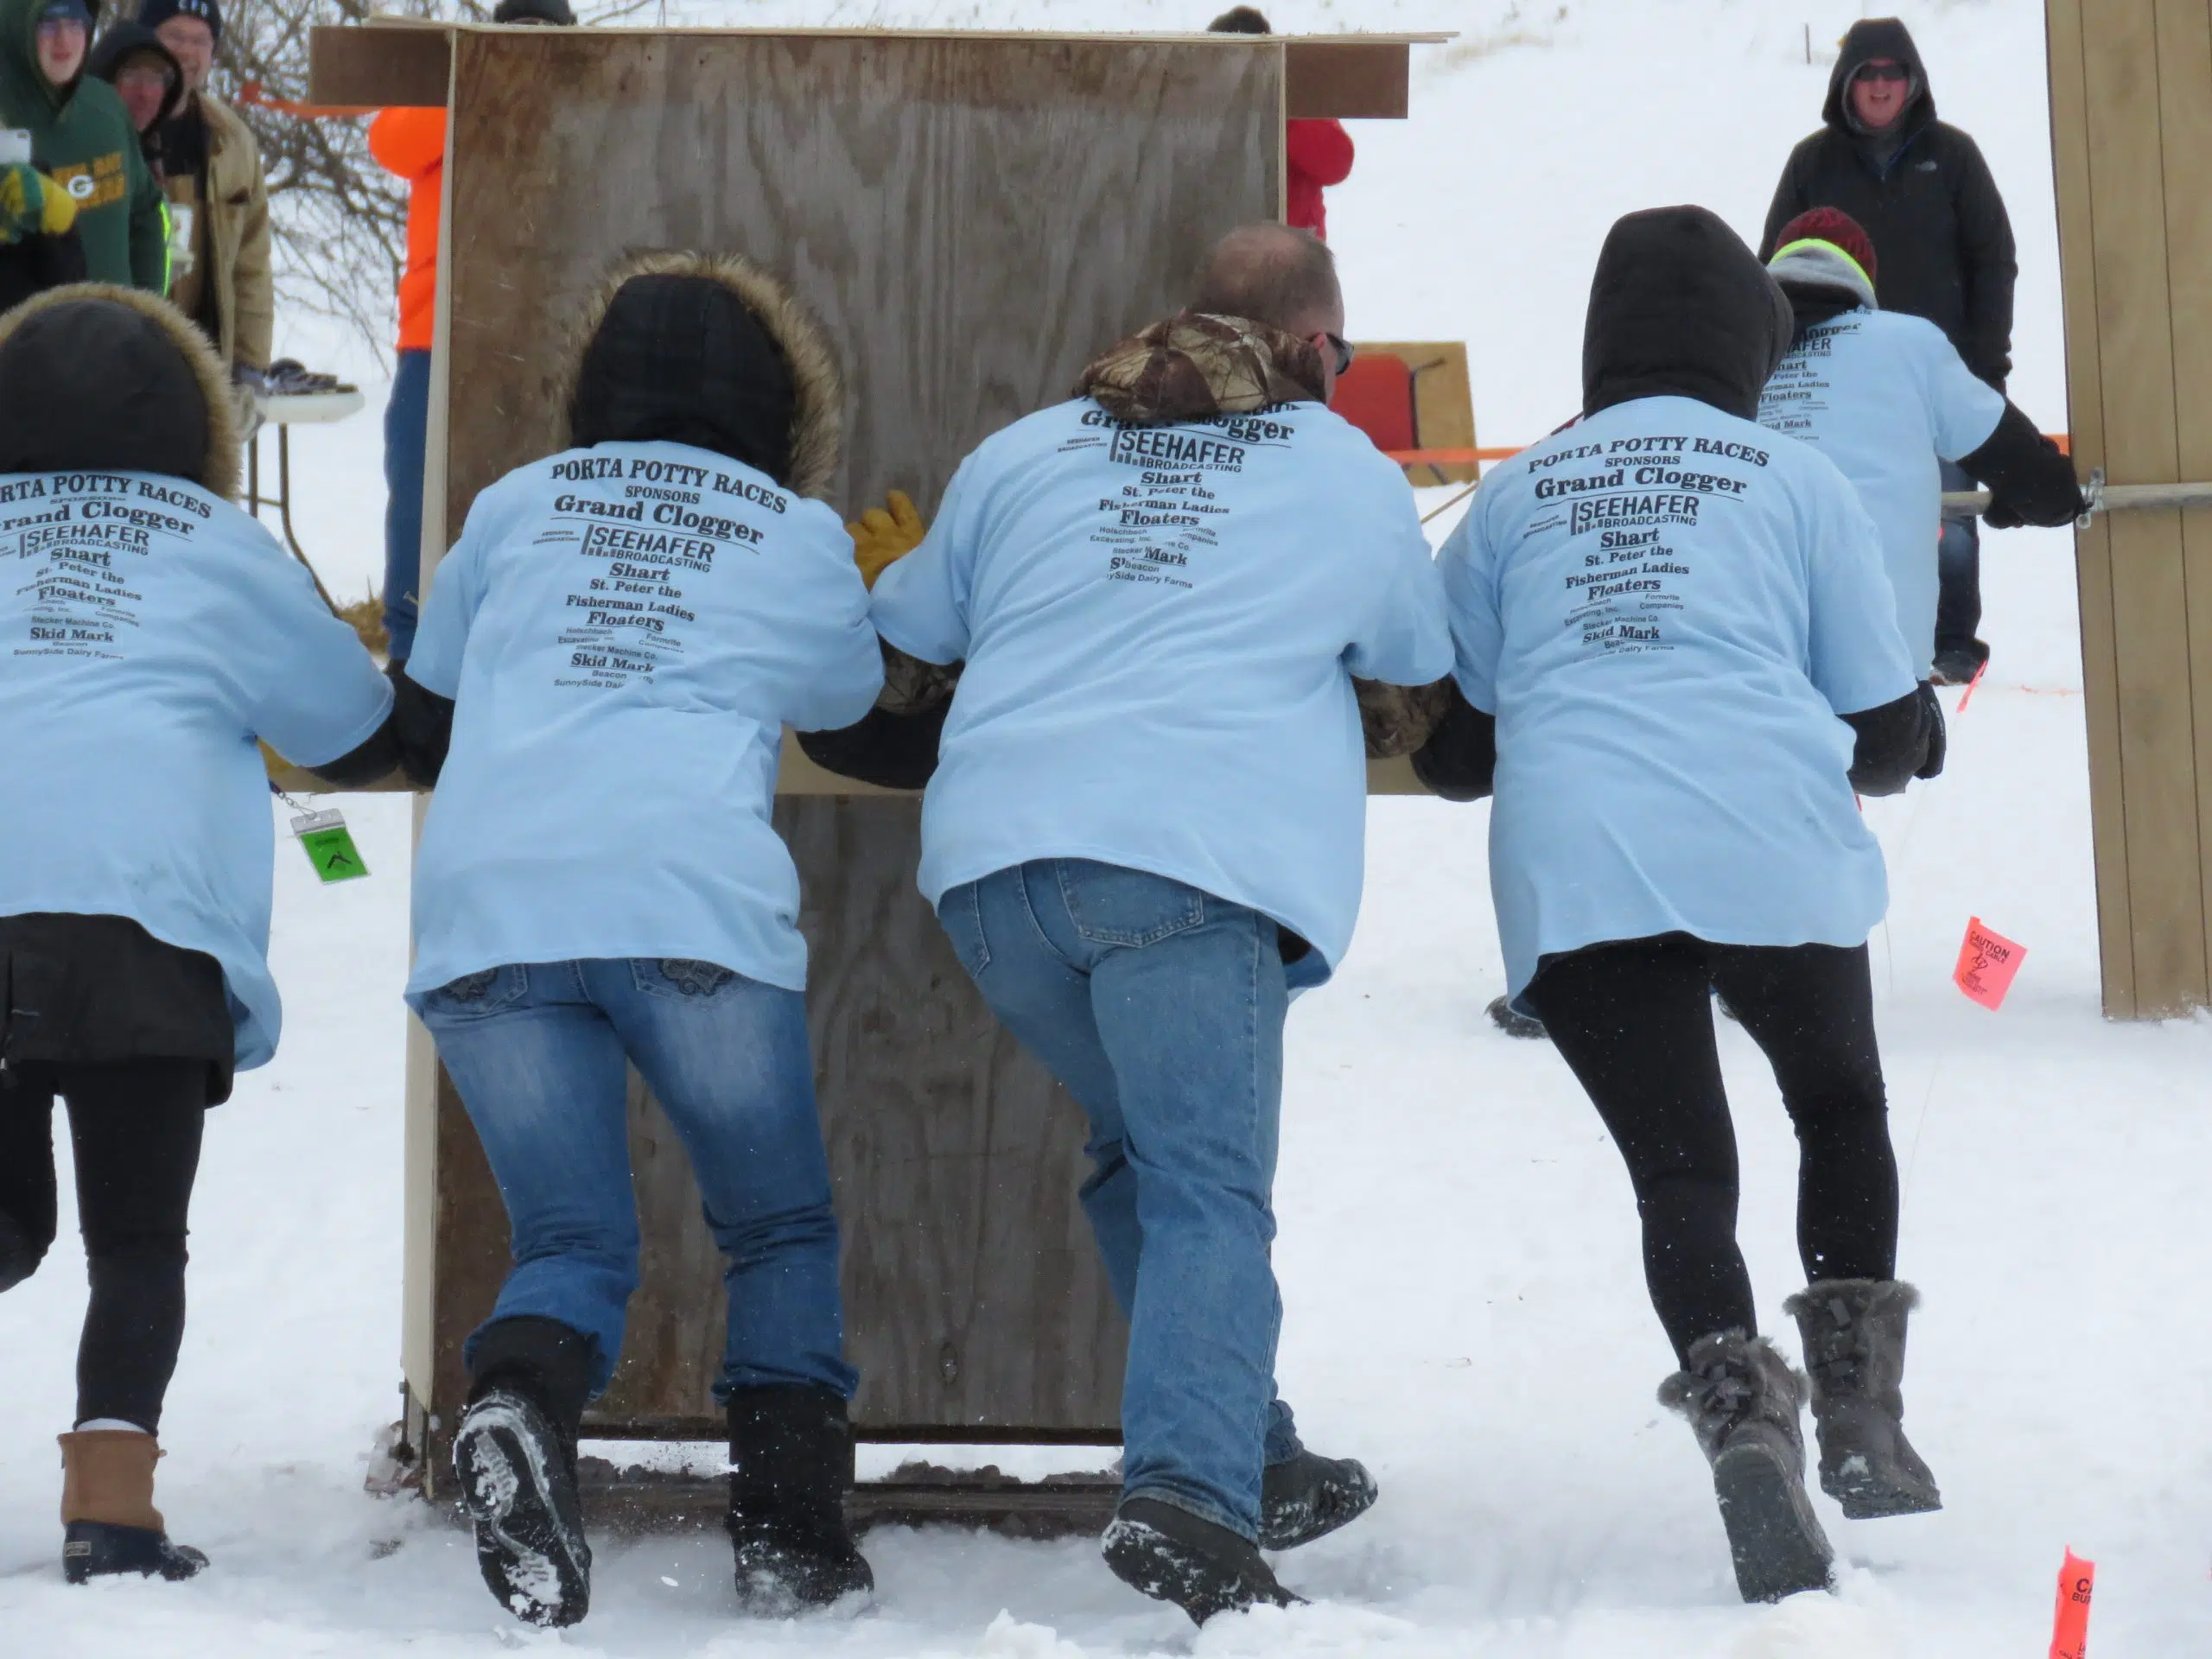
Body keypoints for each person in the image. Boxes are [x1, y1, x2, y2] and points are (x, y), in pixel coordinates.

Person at [846, 224, 1450, 1624]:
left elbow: (906, 624)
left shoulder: (1028, 449)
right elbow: (1416, 659)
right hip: (1188, 871)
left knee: (1142, 1159)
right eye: (1344, 358)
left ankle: (1261, 1453)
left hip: (998, 881)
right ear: (1312, 350)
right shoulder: (1339, 470)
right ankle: (1192, 1493)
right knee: (1205, 1191)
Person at [1418, 206, 1941, 1604]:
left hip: (1577, 857)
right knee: (1836, 1105)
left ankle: (1738, 1415)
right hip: (1764, 835)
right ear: (1746, 341)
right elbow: (1885, 732)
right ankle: (1859, 1409)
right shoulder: (1797, 478)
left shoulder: (1517, 492)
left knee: (1682, 1175)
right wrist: (1893, 744)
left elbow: (1455, 747)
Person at [392, 250, 882, 1629]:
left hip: (489, 906)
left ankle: (520, 1405)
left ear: (590, 381)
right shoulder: (790, 530)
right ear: (782, 396)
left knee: (571, 1233)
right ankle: (789, 1534)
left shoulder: (511, 507)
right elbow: (850, 706)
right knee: (775, 1226)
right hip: (685, 898)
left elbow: (426, 711)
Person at [0, 282, 397, 1585]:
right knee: (133, 1239)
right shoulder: (218, 546)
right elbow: (348, 724)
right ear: (193, 423)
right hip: (150, 929)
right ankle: (111, 1512)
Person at [1760, 17, 2016, 683]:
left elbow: (1993, 261)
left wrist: (1987, 367)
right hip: (1834, 374)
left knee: (1952, 512)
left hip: (1940, 371)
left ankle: (1952, 639)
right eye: (1867, 73)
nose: (1879, 86)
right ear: (1846, 84)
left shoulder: (1954, 157)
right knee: (1833, 510)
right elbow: (1774, 267)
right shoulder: (1811, 163)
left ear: (1913, 82)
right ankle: (1831, 637)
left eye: (1891, 73)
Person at [1760, 207, 2083, 701]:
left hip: (1756, 663)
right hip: (1882, 684)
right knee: (1873, 754)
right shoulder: (1909, 344)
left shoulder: (1738, 363)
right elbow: (2035, 480)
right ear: (1865, 276)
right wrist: (2031, 498)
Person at [368, 0, 574, 667]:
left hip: (547, 344)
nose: (527, 49)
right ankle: (409, 654)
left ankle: (531, 651)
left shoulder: (578, 115)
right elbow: (387, 142)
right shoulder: (450, 103)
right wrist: (480, 86)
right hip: (438, 339)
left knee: (541, 500)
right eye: (515, 33)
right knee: (418, 497)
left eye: (542, 37)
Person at [136, 0, 269, 395]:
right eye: (175, 35)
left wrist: (251, 364)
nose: (187, 51)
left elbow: (252, 263)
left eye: (200, 40)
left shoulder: (233, 141)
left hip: (203, 375)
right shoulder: (108, 124)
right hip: (118, 362)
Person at [0, 0, 166, 289]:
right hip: (26, 331)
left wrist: (150, 315)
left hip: (117, 329)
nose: (64, 40)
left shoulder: (106, 108)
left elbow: (147, 212)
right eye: (48, 23)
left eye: (76, 22)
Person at [1205, 8, 1354, 240]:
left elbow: (1336, 164)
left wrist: (1284, 114)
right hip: (1228, 252)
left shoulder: (1296, 100)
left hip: (1294, 254)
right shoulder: (1205, 109)